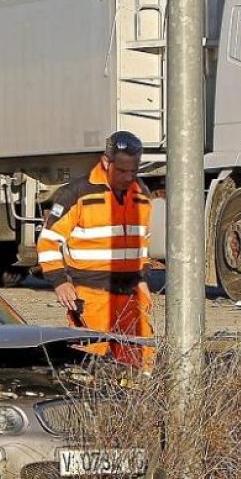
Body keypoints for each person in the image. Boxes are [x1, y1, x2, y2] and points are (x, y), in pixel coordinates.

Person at [37, 131, 154, 367]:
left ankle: (135, 401)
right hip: (91, 294)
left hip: (131, 292)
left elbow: (141, 243)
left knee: (141, 360)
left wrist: (142, 280)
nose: (128, 177)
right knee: (91, 362)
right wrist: (60, 282)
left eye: (134, 170)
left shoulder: (141, 194)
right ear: (105, 162)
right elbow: (48, 241)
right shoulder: (76, 194)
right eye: (122, 171)